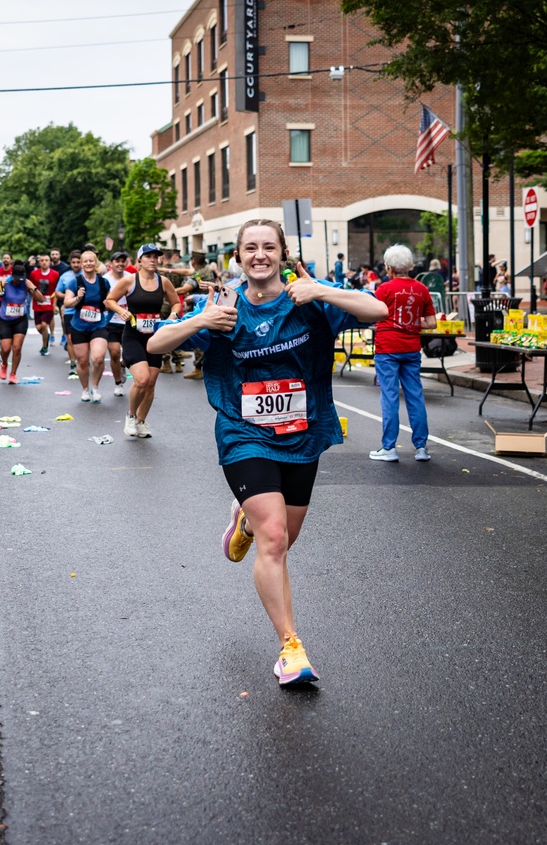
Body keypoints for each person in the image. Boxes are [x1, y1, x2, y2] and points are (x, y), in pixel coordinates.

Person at [147, 218, 386, 686]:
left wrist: (321, 293)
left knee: (282, 540)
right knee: (273, 539)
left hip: (303, 432)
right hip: (243, 433)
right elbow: (154, 344)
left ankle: (243, 520)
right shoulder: (222, 304)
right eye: (250, 248)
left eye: (269, 247)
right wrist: (200, 320)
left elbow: (376, 309)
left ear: (281, 253)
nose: (260, 255)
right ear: (237, 256)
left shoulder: (309, 298)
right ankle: (290, 648)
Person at [104, 243, 181, 438]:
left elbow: (177, 303)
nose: (153, 260)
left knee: (151, 383)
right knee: (142, 379)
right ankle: (130, 416)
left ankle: (141, 421)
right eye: (148, 256)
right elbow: (109, 300)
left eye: (156, 256)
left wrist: (172, 316)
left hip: (155, 336)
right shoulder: (129, 281)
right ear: (139, 260)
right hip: (133, 335)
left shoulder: (163, 282)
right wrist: (122, 311)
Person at [369, 243, 436, 463]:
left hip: (387, 348)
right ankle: (421, 448)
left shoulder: (384, 289)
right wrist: (410, 321)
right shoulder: (422, 289)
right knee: (415, 395)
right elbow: (431, 323)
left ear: (389, 268)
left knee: (389, 397)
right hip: (411, 348)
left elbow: (373, 314)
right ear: (410, 266)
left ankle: (389, 448)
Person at [0, 263, 45, 384]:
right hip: (5, 319)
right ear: (12, 276)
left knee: (17, 348)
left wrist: (33, 287)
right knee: (5, 349)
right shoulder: (5, 283)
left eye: (20, 280)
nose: (18, 282)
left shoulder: (26, 284)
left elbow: (41, 299)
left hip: (20, 319)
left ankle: (13, 373)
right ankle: (4, 364)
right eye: (16, 280)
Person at [64, 250, 112, 403]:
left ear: (96, 262)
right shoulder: (75, 281)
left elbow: (110, 303)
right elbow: (66, 303)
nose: (88, 263)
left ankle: (95, 387)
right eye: (85, 261)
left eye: (91, 261)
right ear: (82, 264)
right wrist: (78, 297)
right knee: (83, 361)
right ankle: (85, 389)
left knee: (98, 358)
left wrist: (108, 309)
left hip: (99, 325)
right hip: (79, 326)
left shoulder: (103, 282)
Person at [176, 251, 219, 380]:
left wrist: (167, 291)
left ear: (193, 260)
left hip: (199, 308)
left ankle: (198, 368)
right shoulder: (208, 270)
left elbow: (184, 289)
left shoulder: (198, 273)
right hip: (208, 306)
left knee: (198, 338)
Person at [104, 252, 130, 397]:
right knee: (114, 352)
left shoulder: (131, 278)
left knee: (128, 354)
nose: (120, 264)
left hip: (128, 320)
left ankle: (123, 365)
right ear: (111, 263)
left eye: (122, 261)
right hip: (111, 320)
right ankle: (118, 383)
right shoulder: (105, 279)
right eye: (117, 261)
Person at [55, 250, 83, 374]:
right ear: (70, 263)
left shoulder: (88, 275)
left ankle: (83, 360)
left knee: (84, 339)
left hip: (84, 311)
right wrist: (68, 296)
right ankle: (73, 363)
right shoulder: (65, 276)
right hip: (70, 311)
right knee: (70, 338)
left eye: (78, 262)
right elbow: (57, 292)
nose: (76, 264)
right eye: (73, 262)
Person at [30, 254, 60, 355]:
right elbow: (30, 288)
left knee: (44, 325)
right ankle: (46, 337)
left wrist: (54, 304)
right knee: (39, 328)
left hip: (49, 304)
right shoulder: (34, 274)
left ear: (49, 262)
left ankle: (44, 347)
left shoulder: (55, 274)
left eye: (46, 260)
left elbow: (57, 290)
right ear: (39, 262)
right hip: (37, 305)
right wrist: (35, 296)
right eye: (42, 260)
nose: (44, 262)